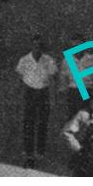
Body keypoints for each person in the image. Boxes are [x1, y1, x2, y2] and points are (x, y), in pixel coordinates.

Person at [15, 34, 58, 168]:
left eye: (39, 46)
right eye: (35, 46)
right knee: (28, 123)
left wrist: (52, 98)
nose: (37, 48)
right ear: (31, 46)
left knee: (42, 122)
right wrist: (19, 97)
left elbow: (52, 80)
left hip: (43, 92)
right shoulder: (24, 60)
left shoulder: (48, 60)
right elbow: (20, 79)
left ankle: (40, 150)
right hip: (29, 92)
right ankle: (29, 152)